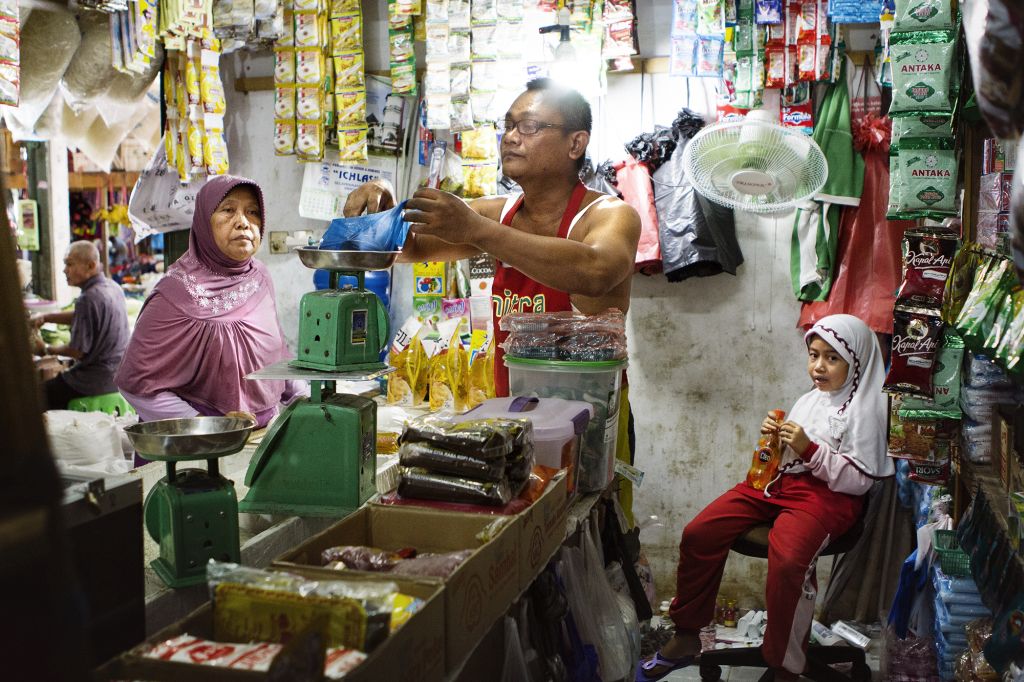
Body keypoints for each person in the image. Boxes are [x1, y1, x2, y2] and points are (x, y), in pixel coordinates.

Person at [344, 77, 641, 396]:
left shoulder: (611, 214)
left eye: (528, 126)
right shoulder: (495, 213)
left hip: (591, 418)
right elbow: (407, 247)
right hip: (514, 412)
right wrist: (384, 199)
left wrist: (477, 230)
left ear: (575, 143)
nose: (510, 138)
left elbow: (596, 271)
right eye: (508, 126)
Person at [637, 314, 893, 682]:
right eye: (813, 355)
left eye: (832, 358)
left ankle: (786, 664)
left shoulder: (867, 408)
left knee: (789, 562)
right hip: (778, 485)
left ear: (856, 361)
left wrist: (809, 450)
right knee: (700, 532)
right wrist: (772, 440)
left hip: (828, 498)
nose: (818, 366)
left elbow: (858, 481)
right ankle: (687, 634)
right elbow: (782, 459)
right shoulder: (810, 399)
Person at [116, 175, 305, 431]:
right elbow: (135, 384)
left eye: (252, 212)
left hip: (264, 437)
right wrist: (209, 428)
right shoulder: (175, 293)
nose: (243, 223)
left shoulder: (259, 276)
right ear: (204, 222)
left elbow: (276, 351)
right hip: (201, 448)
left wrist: (303, 398)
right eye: (228, 210)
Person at [30, 240, 130, 410]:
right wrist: (46, 317)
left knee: (37, 395)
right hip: (118, 377)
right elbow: (86, 316)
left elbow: (77, 351)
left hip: (94, 380)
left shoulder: (88, 298)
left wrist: (46, 349)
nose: (64, 270)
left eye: (69, 264)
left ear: (90, 266)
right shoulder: (113, 287)